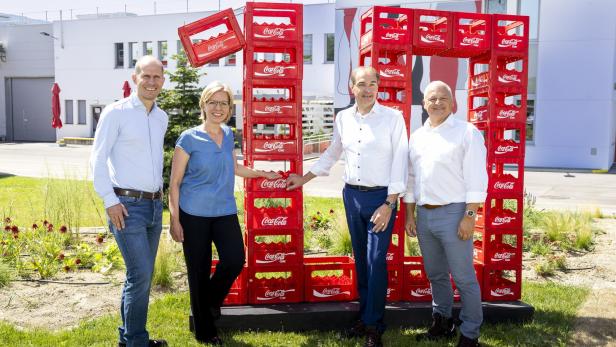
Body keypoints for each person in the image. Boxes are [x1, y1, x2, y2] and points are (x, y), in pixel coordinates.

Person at [286, 66, 408, 347]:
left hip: (381, 199)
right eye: (362, 84)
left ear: (379, 87)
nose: (368, 89)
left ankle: (375, 326)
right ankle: (365, 318)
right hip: (352, 196)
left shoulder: (393, 118)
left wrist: (390, 202)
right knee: (362, 261)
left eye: (373, 84)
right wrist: (304, 178)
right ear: (351, 87)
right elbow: (332, 153)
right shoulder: (343, 118)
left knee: (376, 260)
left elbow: (401, 160)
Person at [168, 81, 280, 345]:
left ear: (229, 108)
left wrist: (262, 173)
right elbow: (175, 182)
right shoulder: (188, 138)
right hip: (193, 212)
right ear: (203, 105)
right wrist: (174, 220)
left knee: (234, 260)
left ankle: (207, 302)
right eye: (213, 102)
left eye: (223, 103)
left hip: (224, 210)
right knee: (199, 270)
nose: (218, 108)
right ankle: (206, 331)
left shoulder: (229, 134)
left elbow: (234, 167)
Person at [90, 55, 168, 347]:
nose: (151, 82)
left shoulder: (161, 117)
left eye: (156, 77)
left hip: (153, 206)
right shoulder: (116, 113)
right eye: (145, 76)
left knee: (138, 276)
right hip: (126, 206)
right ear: (135, 78)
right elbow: (97, 160)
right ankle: (137, 341)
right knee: (141, 274)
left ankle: (128, 338)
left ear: (163, 80)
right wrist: (110, 201)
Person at [404, 80, 487, 347]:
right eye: (431, 99)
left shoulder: (467, 132)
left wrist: (470, 216)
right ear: (424, 103)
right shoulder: (417, 137)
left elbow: (477, 177)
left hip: (455, 214)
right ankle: (442, 322)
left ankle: (470, 332)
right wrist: (409, 215)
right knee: (436, 274)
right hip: (426, 216)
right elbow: (411, 179)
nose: (437, 103)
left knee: (463, 277)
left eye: (443, 98)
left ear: (453, 103)